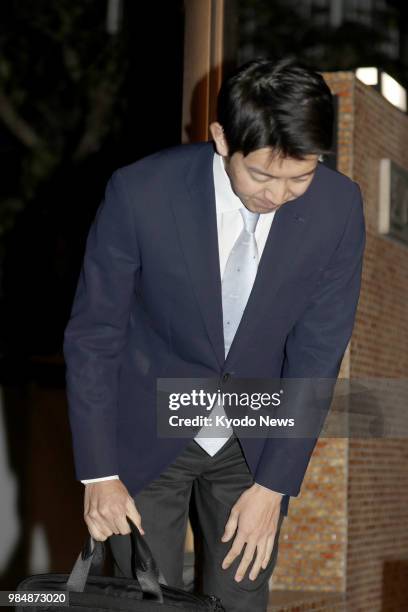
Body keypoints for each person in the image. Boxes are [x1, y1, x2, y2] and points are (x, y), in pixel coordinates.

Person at [63, 58, 365, 612]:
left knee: (241, 599)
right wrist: (99, 472)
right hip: (148, 429)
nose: (278, 195)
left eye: (300, 176)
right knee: (141, 601)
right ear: (222, 138)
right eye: (262, 175)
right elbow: (95, 335)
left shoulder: (338, 208)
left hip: (252, 442)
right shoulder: (141, 192)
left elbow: (317, 353)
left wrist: (274, 486)